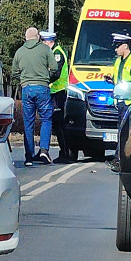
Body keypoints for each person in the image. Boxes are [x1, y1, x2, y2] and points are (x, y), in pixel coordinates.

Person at [11, 27, 55, 166]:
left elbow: (14, 72)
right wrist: (45, 78)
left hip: (27, 89)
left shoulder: (19, 52)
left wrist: (24, 80)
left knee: (28, 123)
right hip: (42, 88)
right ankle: (43, 150)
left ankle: (29, 157)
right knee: (46, 119)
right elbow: (54, 68)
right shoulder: (45, 50)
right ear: (37, 38)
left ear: (26, 38)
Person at [104, 32, 131, 171]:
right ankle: (119, 158)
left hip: (130, 103)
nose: (115, 49)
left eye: (117, 46)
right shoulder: (117, 61)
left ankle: (121, 159)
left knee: (127, 133)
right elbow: (118, 79)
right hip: (120, 102)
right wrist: (111, 80)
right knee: (121, 131)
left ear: (125, 46)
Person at [41, 30, 74, 164]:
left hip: (58, 92)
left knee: (60, 124)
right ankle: (59, 152)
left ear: (51, 42)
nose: (43, 44)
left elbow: (56, 73)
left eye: (44, 41)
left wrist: (44, 81)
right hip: (53, 92)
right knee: (54, 123)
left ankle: (65, 153)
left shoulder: (57, 53)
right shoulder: (52, 53)